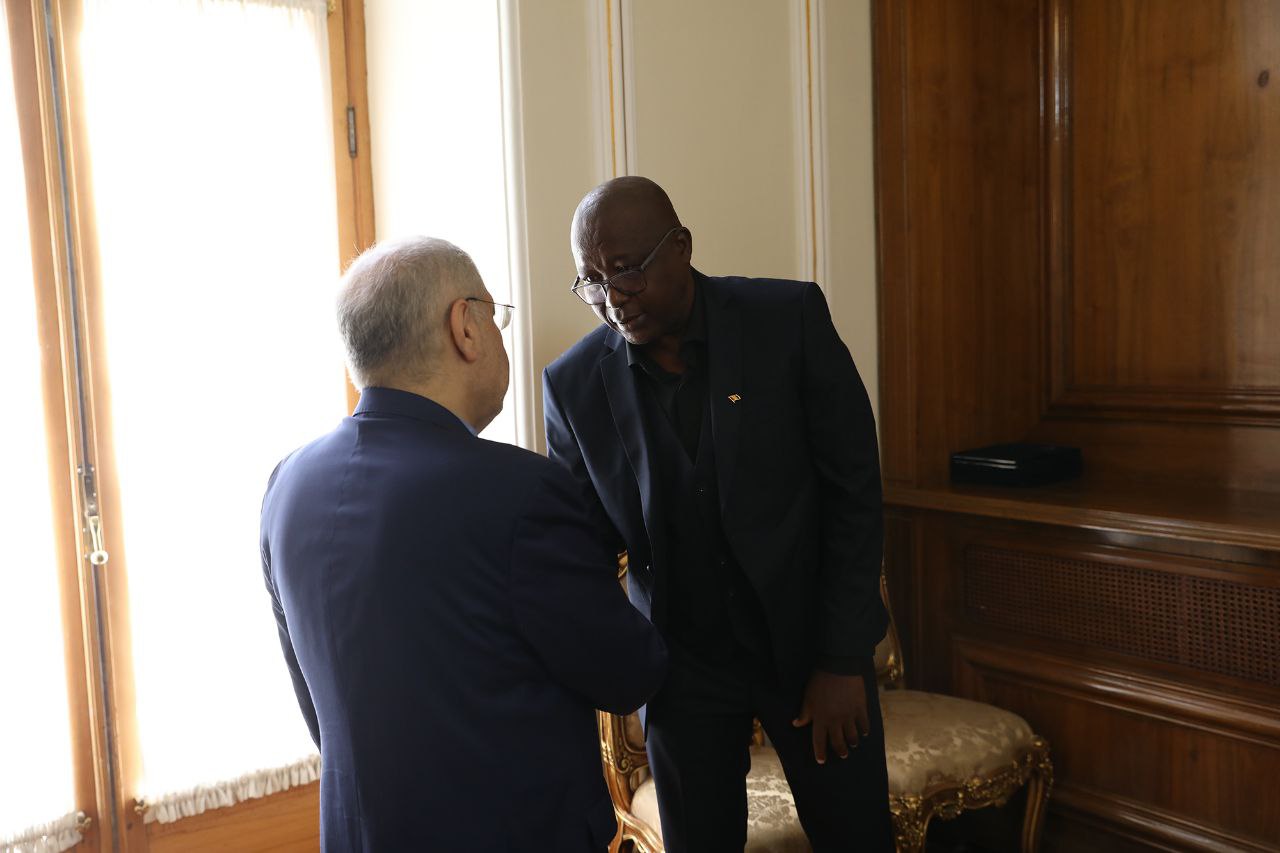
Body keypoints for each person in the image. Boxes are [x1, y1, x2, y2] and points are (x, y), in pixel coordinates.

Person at [260, 236, 667, 852]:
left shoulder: (288, 484)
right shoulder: (518, 491)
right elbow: (627, 673)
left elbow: (324, 718)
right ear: (466, 327)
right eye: (497, 317)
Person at [543, 177, 892, 851]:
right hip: (683, 672)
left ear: (681, 247)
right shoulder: (573, 384)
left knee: (856, 837)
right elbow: (583, 547)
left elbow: (853, 491)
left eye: (627, 271)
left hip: (811, 651)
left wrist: (843, 658)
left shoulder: (787, 321)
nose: (614, 299)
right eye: (592, 281)